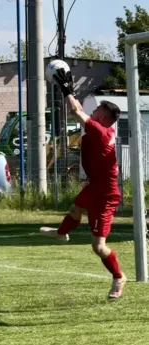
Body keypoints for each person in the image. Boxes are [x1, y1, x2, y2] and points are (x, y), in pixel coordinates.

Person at [40, 68, 127, 300]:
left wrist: (66, 87)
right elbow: (79, 110)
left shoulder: (99, 131)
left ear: (104, 117)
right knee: (76, 208)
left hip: (105, 195)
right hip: (96, 186)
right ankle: (61, 234)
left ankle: (119, 277)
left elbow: (76, 110)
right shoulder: (104, 129)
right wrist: (68, 88)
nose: (94, 110)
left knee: (98, 247)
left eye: (98, 109)